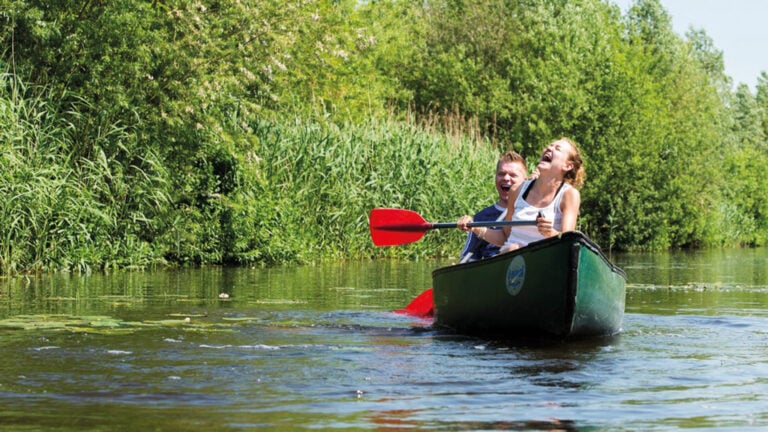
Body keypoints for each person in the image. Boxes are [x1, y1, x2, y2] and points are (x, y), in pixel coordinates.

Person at [458, 137, 585, 253]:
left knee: (516, 249)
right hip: (511, 260)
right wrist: (474, 227)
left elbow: (569, 242)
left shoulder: (569, 195)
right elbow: (504, 237)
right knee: (513, 248)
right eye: (549, 146)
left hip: (544, 261)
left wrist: (550, 233)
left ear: (568, 166)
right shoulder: (517, 190)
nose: (549, 148)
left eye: (557, 149)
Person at [457, 151, 528, 262]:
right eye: (501, 173)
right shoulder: (481, 218)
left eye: (513, 175)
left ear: (525, 180)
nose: (506, 178)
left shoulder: (531, 211)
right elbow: (468, 261)